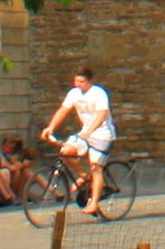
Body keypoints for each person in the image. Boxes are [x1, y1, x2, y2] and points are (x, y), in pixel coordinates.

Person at [41, 67, 118, 220]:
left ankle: (94, 203)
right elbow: (63, 110)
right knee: (65, 152)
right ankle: (83, 176)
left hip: (102, 134)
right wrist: (51, 127)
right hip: (84, 133)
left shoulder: (98, 93)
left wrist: (90, 131)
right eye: (76, 81)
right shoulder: (74, 93)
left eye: (82, 81)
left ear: (89, 81)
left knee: (96, 167)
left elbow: (102, 114)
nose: (78, 84)